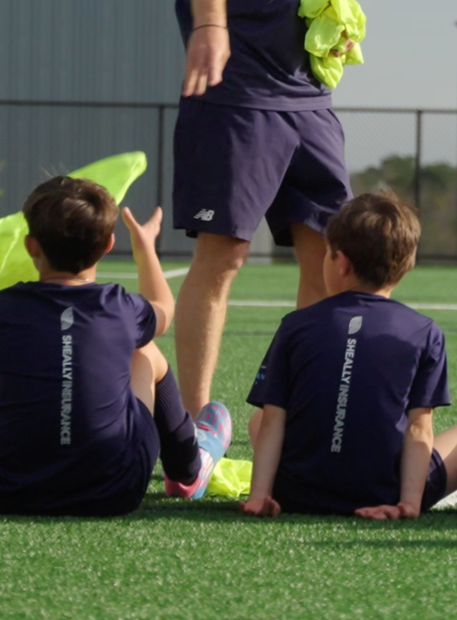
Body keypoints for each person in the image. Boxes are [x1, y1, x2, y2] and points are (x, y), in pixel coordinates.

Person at [0, 177, 232, 516]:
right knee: (145, 354)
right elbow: (164, 309)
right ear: (109, 244)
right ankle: (188, 468)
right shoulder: (119, 306)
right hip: (113, 492)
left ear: (31, 246)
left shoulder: (3, 308)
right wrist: (144, 248)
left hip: (7, 491)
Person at [239, 191, 457, 519]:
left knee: (261, 418)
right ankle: (424, 494)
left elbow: (275, 418)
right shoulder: (424, 331)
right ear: (407, 265)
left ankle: (271, 487)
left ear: (342, 262)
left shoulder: (295, 325)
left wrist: (260, 495)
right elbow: (418, 429)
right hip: (386, 493)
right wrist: (407, 504)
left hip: (297, 493)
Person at [172, 0, 360, 415]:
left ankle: (304, 418)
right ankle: (190, 430)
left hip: (311, 97)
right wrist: (208, 21)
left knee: (334, 262)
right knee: (223, 257)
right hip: (236, 93)